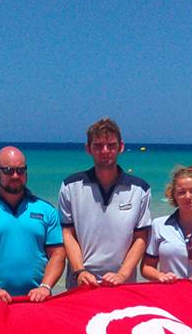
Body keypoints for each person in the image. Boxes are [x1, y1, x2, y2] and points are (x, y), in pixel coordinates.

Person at [0, 146, 65, 303]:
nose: (16, 175)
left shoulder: (47, 210)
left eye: (21, 170)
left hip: (38, 300)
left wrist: (45, 287)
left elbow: (57, 254)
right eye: (9, 170)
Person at [58, 117, 152, 289]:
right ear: (88, 149)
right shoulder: (70, 186)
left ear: (121, 147)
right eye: (98, 146)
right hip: (81, 282)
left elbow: (140, 238)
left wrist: (123, 274)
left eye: (111, 145)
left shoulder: (140, 189)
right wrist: (80, 271)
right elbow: (68, 234)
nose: (105, 151)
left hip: (123, 283)